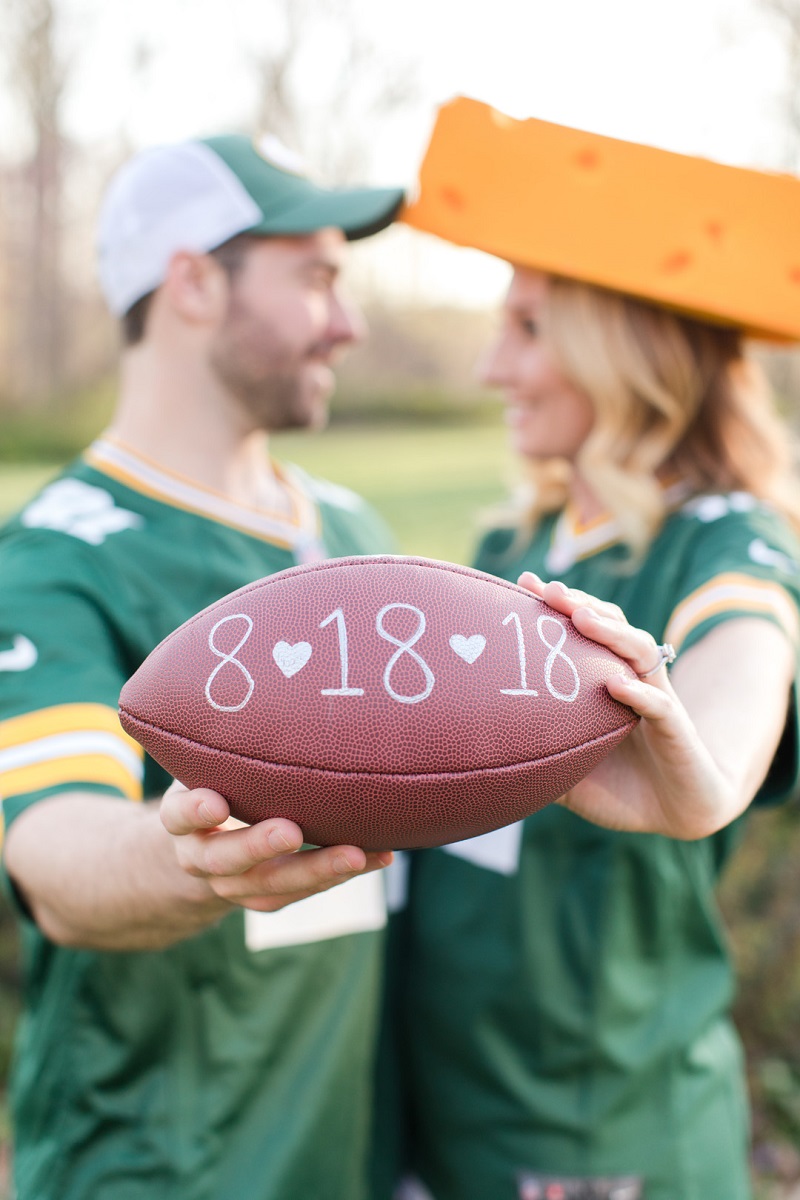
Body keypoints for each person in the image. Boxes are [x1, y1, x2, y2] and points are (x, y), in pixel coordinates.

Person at [377, 99, 800, 1200]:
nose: (488, 369)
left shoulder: (727, 542)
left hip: (599, 1131)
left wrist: (684, 758)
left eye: (526, 328)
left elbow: (730, 692)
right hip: (438, 1102)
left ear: (625, 344)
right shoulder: (507, 545)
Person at [0, 132, 405, 1200]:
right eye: (314, 277)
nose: (348, 321)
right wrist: (186, 859)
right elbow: (59, 857)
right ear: (191, 282)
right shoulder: (59, 557)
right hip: (148, 1170)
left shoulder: (356, 537)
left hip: (340, 1159)